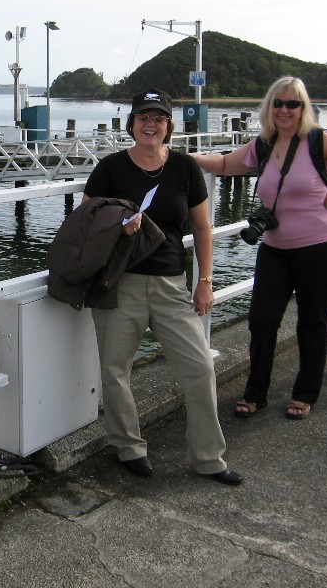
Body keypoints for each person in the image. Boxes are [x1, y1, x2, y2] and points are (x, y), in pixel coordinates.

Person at [193, 77, 327, 420]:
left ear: (303, 108)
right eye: (278, 103)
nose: (284, 110)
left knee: (312, 322)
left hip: (319, 247)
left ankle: (305, 394)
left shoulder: (319, 141)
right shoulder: (263, 145)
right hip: (275, 248)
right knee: (262, 321)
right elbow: (225, 164)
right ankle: (256, 393)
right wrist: (185, 158)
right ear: (269, 107)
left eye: (293, 104)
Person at [82, 88, 242, 485]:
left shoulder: (185, 167)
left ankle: (208, 458)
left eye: (158, 118)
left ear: (169, 125)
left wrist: (205, 281)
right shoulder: (110, 168)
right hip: (121, 284)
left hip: (172, 284)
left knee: (200, 368)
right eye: (143, 117)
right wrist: (118, 225)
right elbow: (86, 220)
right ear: (132, 123)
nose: (150, 124)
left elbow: (202, 228)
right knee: (115, 370)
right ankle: (128, 447)